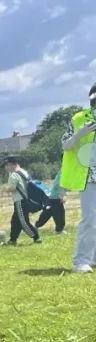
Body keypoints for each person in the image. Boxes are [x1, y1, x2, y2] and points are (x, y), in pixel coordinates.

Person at [59, 82, 96, 273]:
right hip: (88, 176)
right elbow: (65, 145)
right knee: (90, 217)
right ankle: (81, 260)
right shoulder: (79, 119)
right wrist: (81, 134)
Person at [3, 156, 41, 246]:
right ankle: (12, 240)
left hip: (20, 201)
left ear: (11, 164)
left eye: (6, 165)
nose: (6, 168)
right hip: (26, 200)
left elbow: (12, 188)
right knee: (15, 221)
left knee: (23, 222)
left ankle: (36, 237)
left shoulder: (14, 174)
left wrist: (5, 189)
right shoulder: (24, 172)